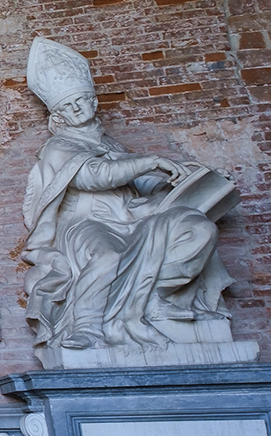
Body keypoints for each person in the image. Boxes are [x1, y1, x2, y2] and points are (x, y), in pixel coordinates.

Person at [21, 37, 229, 349]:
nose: (77, 108)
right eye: (67, 106)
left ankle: (156, 299)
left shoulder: (114, 146)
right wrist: (153, 161)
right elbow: (95, 177)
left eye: (81, 100)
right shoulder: (58, 147)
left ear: (93, 102)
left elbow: (141, 184)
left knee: (198, 228)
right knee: (107, 256)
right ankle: (87, 327)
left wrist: (182, 181)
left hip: (134, 218)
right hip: (85, 226)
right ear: (59, 115)